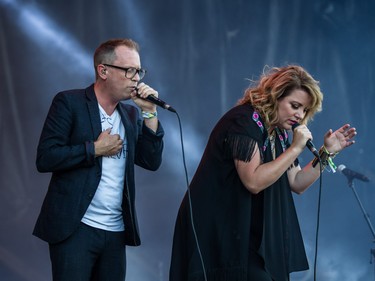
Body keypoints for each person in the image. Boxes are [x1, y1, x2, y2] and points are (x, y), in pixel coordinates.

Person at [169, 65, 357, 281]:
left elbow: (296, 182)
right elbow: (254, 181)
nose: (299, 115)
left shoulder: (277, 132)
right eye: (295, 106)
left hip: (247, 234)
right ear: (275, 96)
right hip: (217, 231)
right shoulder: (244, 121)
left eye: (304, 110)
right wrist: (295, 148)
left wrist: (326, 153)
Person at [33, 38, 164, 281]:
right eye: (129, 70)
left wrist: (150, 112)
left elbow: (151, 160)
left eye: (139, 71)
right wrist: (94, 149)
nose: (137, 78)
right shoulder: (69, 103)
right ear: (103, 70)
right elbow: (46, 157)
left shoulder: (131, 113)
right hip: (76, 228)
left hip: (115, 231)